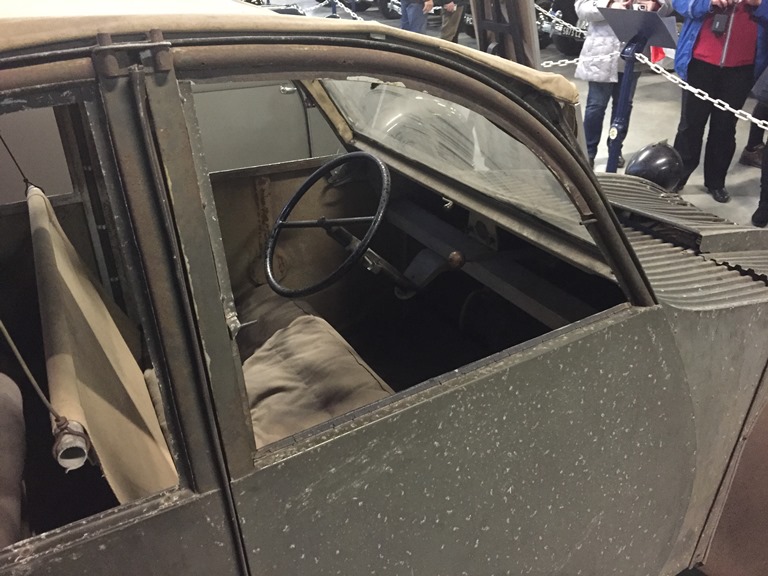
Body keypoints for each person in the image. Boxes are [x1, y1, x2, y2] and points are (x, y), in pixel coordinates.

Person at [672, 0, 768, 203]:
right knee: (690, 125)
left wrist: (759, 4)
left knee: (725, 128)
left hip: (742, 67)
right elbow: (679, 3)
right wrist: (708, 2)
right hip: (699, 61)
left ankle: (716, 182)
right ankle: (678, 176)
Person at [574, 0, 673, 169]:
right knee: (596, 106)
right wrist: (609, 6)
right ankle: (587, 152)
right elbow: (581, 9)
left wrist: (654, 4)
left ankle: (615, 148)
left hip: (635, 51)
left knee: (624, 106)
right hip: (601, 52)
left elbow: (668, 5)